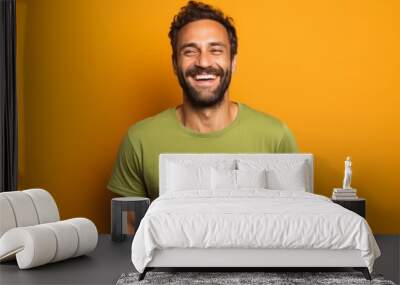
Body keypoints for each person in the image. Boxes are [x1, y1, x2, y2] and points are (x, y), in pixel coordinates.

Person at [107, 1, 299, 200]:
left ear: (233, 61)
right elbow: (129, 229)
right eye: (190, 51)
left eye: (215, 50)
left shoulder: (276, 137)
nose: (204, 62)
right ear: (175, 64)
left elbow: (296, 220)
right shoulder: (139, 141)